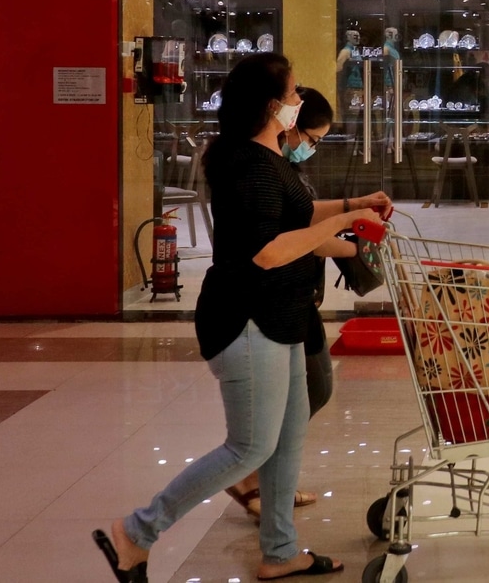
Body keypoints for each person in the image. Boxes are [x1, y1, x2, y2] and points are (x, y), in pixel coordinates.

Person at [95, 54, 390, 583]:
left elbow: (294, 213)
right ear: (273, 104)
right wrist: (348, 219)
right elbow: (270, 251)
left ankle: (280, 550)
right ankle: (137, 532)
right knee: (250, 445)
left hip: (283, 317)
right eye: (294, 92)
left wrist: (354, 202)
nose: (300, 101)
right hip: (247, 319)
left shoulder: (267, 156)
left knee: (289, 432)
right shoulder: (250, 165)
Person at [222, 87, 345, 521]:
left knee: (313, 392)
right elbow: (279, 243)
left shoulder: (277, 166)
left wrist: (352, 209)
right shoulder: (257, 168)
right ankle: (252, 479)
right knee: (294, 403)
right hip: (271, 303)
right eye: (313, 138)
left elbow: (306, 215)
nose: (312, 147)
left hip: (295, 298)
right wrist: (349, 243)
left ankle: (273, 502)